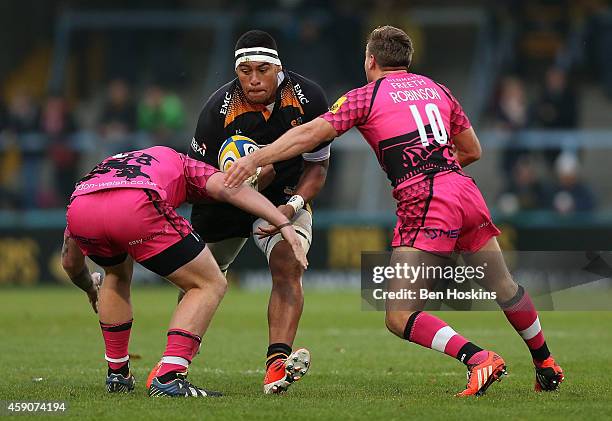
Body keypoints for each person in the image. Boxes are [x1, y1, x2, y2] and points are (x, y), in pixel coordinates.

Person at [225, 25, 565, 397]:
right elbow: (472, 150)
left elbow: (310, 134)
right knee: (504, 287)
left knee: (399, 315)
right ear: (407, 61)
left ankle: (478, 358)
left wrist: (257, 157)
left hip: (427, 199)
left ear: (370, 60)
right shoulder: (438, 89)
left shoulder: (365, 96)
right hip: (465, 191)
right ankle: (545, 363)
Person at [61, 145, 307, 397]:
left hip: (81, 207)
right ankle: (170, 374)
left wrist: (91, 289)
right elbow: (230, 188)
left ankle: (117, 373)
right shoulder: (186, 164)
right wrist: (283, 223)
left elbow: (70, 262)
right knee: (209, 283)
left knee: (116, 274)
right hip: (136, 204)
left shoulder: (112, 162)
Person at [187, 30, 330, 394]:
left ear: (278, 68)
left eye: (262, 70)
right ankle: (175, 363)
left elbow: (317, 167)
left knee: (288, 263)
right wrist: (242, 185)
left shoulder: (308, 98)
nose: (253, 80)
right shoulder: (215, 111)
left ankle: (276, 365)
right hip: (224, 199)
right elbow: (197, 178)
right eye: (245, 71)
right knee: (199, 281)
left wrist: (293, 205)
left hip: (285, 195)